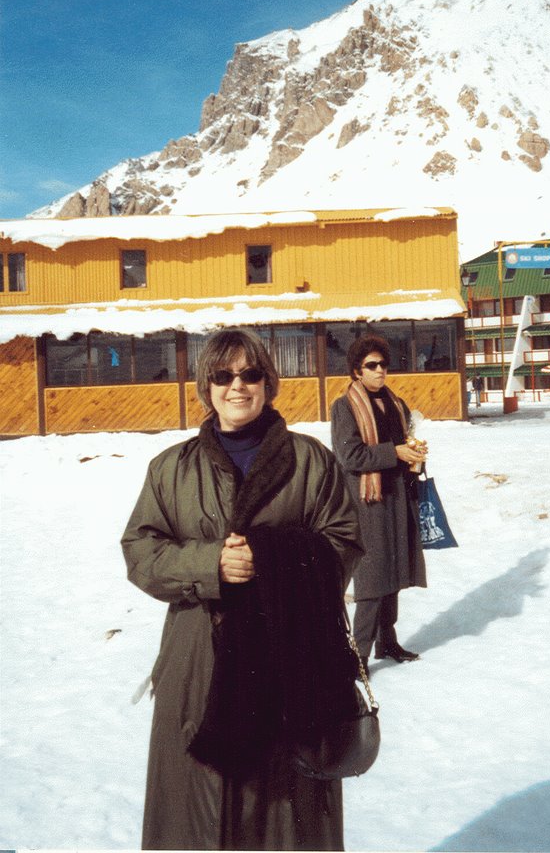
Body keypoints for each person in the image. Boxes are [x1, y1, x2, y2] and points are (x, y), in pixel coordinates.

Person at [121, 328, 363, 851]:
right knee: (196, 813)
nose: (237, 386)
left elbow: (344, 542)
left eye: (250, 374)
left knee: (283, 813)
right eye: (223, 375)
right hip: (197, 667)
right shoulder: (170, 468)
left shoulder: (311, 461)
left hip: (290, 663)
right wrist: (211, 563)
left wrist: (271, 560)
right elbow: (140, 551)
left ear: (268, 383)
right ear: (205, 386)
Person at [330, 334, 427, 677]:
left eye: (383, 364)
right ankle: (358, 654)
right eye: (372, 365)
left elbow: (400, 445)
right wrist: (394, 452)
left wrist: (413, 455)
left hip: (397, 495)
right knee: (372, 577)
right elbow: (349, 455)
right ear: (357, 371)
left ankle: (388, 640)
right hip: (367, 501)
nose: (380, 371)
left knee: (396, 570)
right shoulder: (346, 406)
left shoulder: (394, 403)